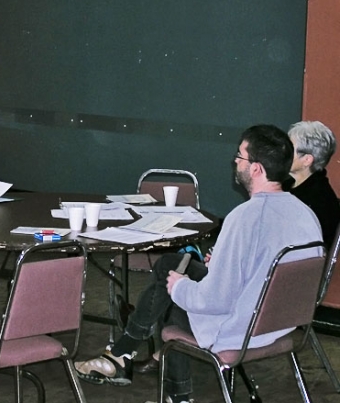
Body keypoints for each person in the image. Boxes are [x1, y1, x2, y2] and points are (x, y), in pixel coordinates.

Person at [74, 125, 324, 403]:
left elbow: (214, 300)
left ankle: (166, 388)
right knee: (172, 263)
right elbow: (272, 267)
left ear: (256, 169)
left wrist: (181, 288)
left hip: (242, 329)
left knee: (171, 292)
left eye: (240, 156)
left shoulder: (243, 218)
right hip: (282, 323)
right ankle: (123, 354)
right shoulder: (305, 214)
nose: (235, 162)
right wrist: (219, 264)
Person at [283, 120, 340, 249]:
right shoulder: (286, 185)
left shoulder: (319, 199)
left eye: (289, 149)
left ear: (307, 160)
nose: (283, 153)